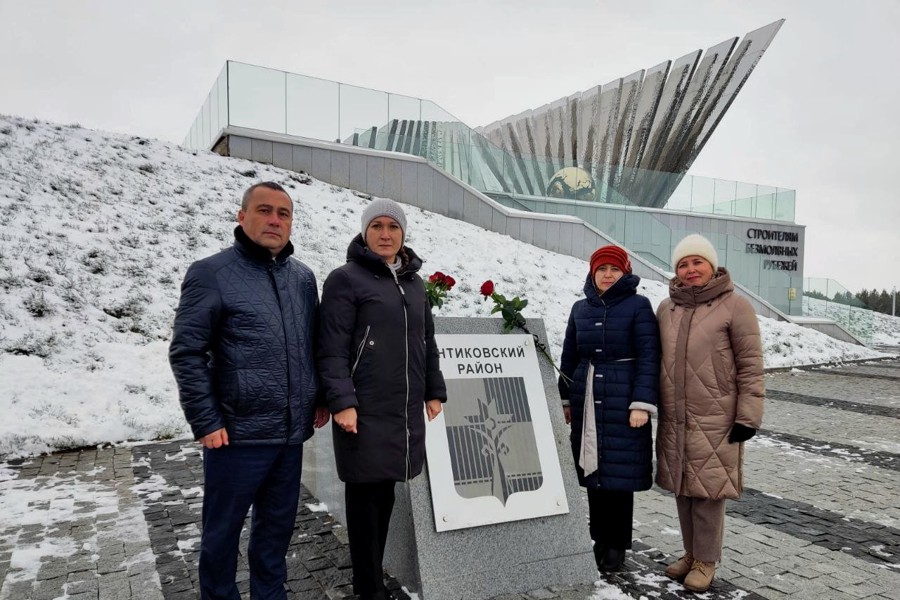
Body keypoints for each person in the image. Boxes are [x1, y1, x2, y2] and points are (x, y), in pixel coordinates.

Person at [169, 181, 329, 600]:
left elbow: (313, 346)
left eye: (284, 213)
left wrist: (320, 398)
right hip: (236, 437)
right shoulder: (211, 273)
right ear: (242, 217)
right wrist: (205, 419)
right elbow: (188, 353)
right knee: (222, 537)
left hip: (290, 436)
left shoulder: (303, 278)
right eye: (264, 210)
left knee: (275, 536)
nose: (275, 220)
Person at [317, 198, 447, 600]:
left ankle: (371, 578)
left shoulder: (414, 283)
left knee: (386, 492)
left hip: (402, 406)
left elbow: (426, 340)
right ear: (364, 232)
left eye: (393, 226)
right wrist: (342, 401)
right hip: (364, 406)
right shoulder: (346, 279)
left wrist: (434, 390)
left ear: (403, 233)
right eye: (377, 226)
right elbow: (331, 347)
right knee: (364, 497)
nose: (385, 233)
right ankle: (369, 587)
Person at [656, 234, 764, 593]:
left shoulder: (735, 306)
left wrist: (748, 417)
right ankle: (690, 553)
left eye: (697, 262)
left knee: (708, 493)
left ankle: (706, 561)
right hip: (676, 414)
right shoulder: (666, 309)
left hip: (716, 415)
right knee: (683, 488)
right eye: (683, 264)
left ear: (712, 265)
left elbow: (751, 365)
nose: (690, 270)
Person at [558, 245, 660, 572]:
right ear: (592, 272)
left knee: (619, 475)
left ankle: (616, 545)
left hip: (623, 398)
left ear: (624, 272)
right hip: (587, 396)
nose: (607, 274)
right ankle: (598, 538)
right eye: (601, 269)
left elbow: (649, 357)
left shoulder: (638, 306)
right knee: (593, 472)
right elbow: (569, 356)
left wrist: (641, 403)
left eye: (614, 269)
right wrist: (565, 399)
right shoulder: (580, 308)